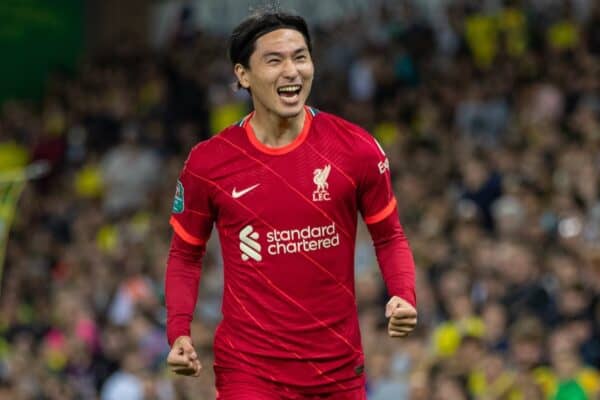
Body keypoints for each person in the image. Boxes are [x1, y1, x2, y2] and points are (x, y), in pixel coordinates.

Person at [164, 11, 417, 399]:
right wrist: (179, 331)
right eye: (274, 60)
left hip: (337, 370)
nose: (292, 71)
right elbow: (185, 254)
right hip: (249, 371)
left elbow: (389, 236)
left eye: (300, 57)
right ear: (243, 75)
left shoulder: (355, 149)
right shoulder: (208, 163)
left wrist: (402, 293)